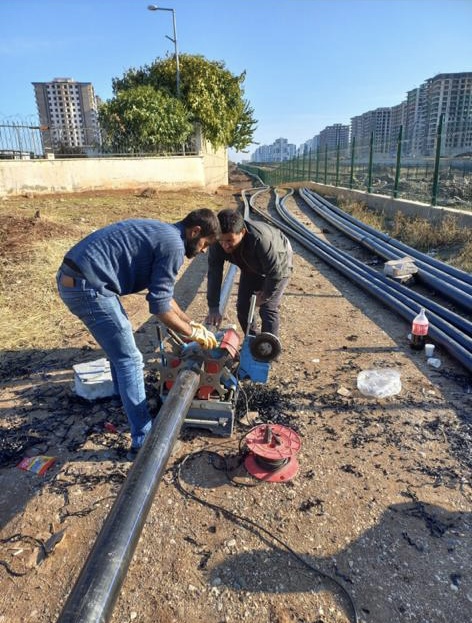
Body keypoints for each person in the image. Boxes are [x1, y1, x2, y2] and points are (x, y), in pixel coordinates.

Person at [57, 209, 221, 459]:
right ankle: (144, 441)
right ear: (195, 231)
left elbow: (165, 296)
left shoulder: (166, 234)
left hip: (82, 279)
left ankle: (118, 394)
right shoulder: (174, 246)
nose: (203, 251)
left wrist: (192, 324)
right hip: (88, 286)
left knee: (120, 348)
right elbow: (159, 308)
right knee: (130, 359)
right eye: (204, 244)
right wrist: (192, 334)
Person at [206, 208, 293, 338]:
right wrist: (213, 307)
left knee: (267, 308)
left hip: (279, 261)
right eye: (221, 240)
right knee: (243, 307)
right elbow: (214, 272)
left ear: (242, 232)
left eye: (229, 240)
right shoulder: (218, 241)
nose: (225, 245)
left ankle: (268, 350)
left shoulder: (261, 240)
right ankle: (252, 342)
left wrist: (265, 295)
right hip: (250, 265)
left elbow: (275, 273)